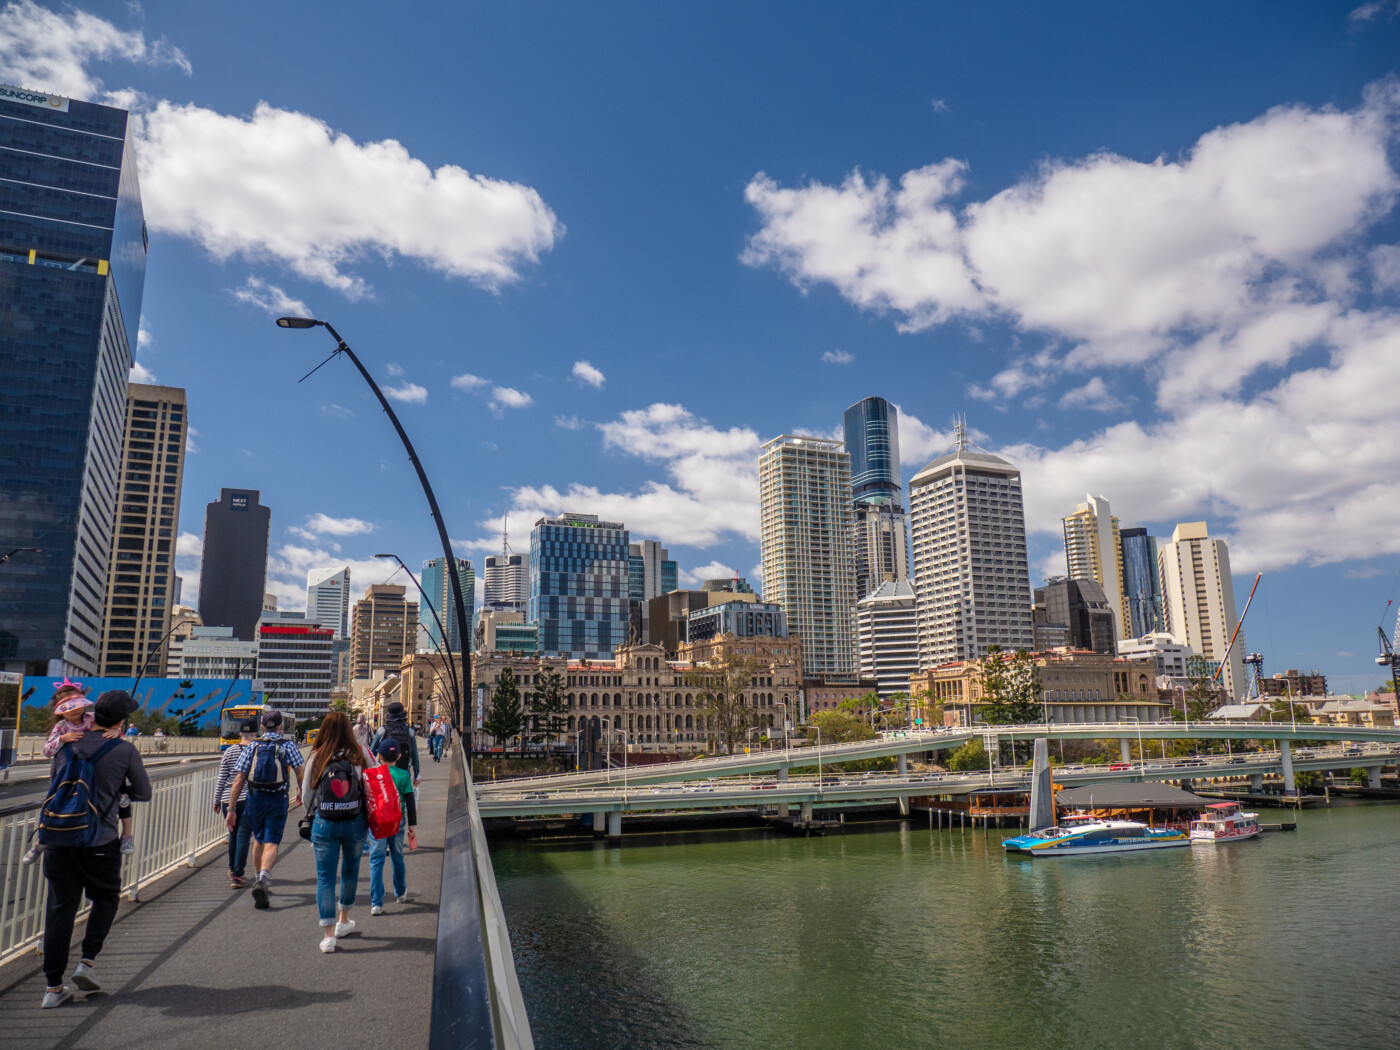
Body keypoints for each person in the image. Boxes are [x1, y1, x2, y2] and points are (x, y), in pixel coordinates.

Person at [39, 690, 151, 1009]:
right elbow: (143, 792)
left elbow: (56, 783)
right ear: (119, 721)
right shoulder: (123, 749)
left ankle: (52, 988)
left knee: (60, 910)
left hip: (59, 841)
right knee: (105, 897)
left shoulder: (66, 744)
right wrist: (117, 788)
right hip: (100, 841)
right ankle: (87, 962)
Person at [26, 682, 133, 863]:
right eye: (68, 708)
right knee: (54, 805)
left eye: (77, 705)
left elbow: (110, 729)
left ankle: (127, 837)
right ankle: (40, 841)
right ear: (60, 711)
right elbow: (47, 751)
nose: (74, 711)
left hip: (95, 771)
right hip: (71, 774)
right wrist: (63, 739)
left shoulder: (92, 718)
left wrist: (116, 731)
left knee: (122, 797)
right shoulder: (61, 727)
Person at [302, 711, 373, 953]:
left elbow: (306, 796)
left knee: (325, 878)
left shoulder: (317, 756)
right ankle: (344, 920)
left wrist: (317, 816)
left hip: (324, 822)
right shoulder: (360, 755)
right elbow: (371, 786)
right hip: (355, 821)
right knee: (351, 869)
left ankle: (328, 935)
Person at [224, 710, 303, 909]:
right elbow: (300, 773)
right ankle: (264, 879)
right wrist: (303, 793)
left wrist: (231, 808)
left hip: (254, 798)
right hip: (278, 797)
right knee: (272, 840)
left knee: (258, 839)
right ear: (280, 728)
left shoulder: (253, 746)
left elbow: (239, 779)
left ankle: (258, 876)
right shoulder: (288, 746)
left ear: (261, 728)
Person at [368, 738, 418, 914]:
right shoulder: (403, 775)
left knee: (376, 860)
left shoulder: (372, 774)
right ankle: (400, 892)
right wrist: (412, 824)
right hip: (397, 821)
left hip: (377, 823)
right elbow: (410, 801)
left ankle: (377, 903)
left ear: (379, 756)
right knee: (397, 856)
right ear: (398, 756)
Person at [213, 718, 258, 888]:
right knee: (244, 835)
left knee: (232, 833)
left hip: (228, 799)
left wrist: (217, 800)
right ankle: (238, 874)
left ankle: (232, 869)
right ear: (256, 733)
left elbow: (222, 778)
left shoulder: (230, 751)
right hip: (248, 797)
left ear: (240, 733)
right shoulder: (257, 750)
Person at [371, 701, 420, 789]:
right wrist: (417, 775)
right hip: (404, 771)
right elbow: (414, 755)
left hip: (384, 773)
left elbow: (371, 753)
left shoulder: (382, 730)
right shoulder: (410, 732)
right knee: (404, 797)